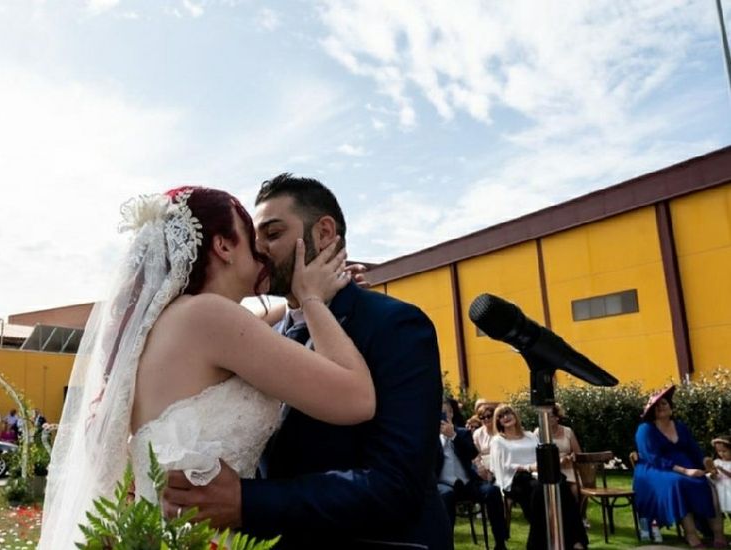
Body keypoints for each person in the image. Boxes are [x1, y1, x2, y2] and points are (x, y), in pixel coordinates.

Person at [39, 186, 375, 549]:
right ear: (224, 246)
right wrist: (311, 298)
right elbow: (356, 399)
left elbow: (258, 323)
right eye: (251, 235)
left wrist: (298, 302)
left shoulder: (165, 325)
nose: (262, 249)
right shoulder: (210, 318)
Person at [162, 174, 450, 549]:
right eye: (254, 238)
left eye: (273, 233)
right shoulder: (257, 337)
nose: (260, 249)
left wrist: (246, 502)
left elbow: (395, 484)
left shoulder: (396, 325)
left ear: (325, 233)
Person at [633, 385, 727, 548]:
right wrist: (685, 471)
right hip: (655, 470)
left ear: (671, 407)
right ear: (651, 411)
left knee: (706, 483)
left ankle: (717, 533)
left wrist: (705, 463)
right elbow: (654, 458)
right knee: (677, 483)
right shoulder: (645, 429)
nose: (661, 407)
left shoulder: (680, 427)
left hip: (686, 467)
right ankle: (691, 535)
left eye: (664, 403)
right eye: (656, 406)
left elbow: (693, 449)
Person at [490, 404, 587, 549]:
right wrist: (528, 467)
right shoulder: (498, 441)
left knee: (561, 485)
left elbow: (543, 456)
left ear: (515, 415)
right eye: (501, 416)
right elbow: (499, 466)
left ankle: (576, 540)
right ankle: (538, 544)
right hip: (516, 478)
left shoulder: (530, 435)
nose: (506, 417)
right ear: (498, 422)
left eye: (508, 413)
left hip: (539, 474)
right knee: (541, 491)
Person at [437, 398, 508, 550]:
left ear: (450, 414)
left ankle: (500, 543)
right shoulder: (430, 438)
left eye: (444, 413)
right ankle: (447, 545)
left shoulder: (462, 433)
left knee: (492, 491)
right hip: (444, 485)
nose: (442, 416)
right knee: (445, 495)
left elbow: (472, 453)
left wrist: (453, 436)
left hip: (467, 483)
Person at [533, 404, 583, 505]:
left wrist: (569, 457)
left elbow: (578, 453)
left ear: (557, 417)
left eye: (550, 416)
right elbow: (535, 454)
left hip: (568, 467)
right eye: (544, 416)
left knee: (576, 489)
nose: (547, 419)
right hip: (549, 469)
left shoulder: (568, 431)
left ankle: (580, 516)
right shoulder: (538, 432)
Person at [473, 402, 498, 481]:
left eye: (489, 416)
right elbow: (476, 454)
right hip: (485, 470)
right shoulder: (477, 433)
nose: (486, 419)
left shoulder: (501, 430)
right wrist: (480, 467)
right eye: (482, 417)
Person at [707, 436, 731, 518]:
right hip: (720, 489)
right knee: (719, 512)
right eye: (719, 451)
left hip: (729, 489)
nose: (722, 454)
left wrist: (722, 469)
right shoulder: (716, 462)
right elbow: (714, 477)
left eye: (724, 451)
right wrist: (713, 474)